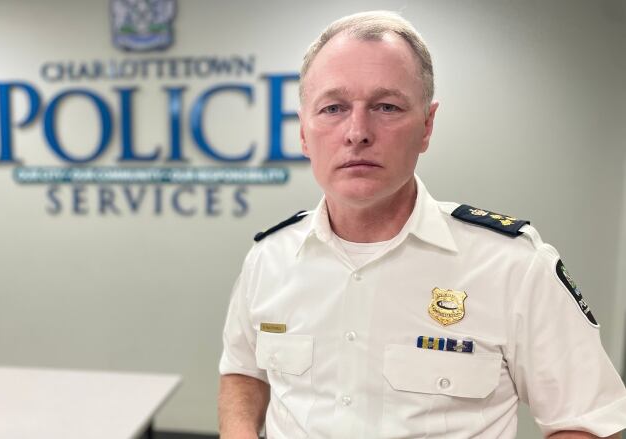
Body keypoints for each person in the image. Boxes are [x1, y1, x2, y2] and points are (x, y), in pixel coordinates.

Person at [217, 10, 626, 439]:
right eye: (333, 108)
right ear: (303, 132)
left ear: (427, 126)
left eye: (386, 106)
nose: (357, 132)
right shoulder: (269, 258)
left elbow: (586, 422)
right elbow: (243, 370)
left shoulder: (513, 267)